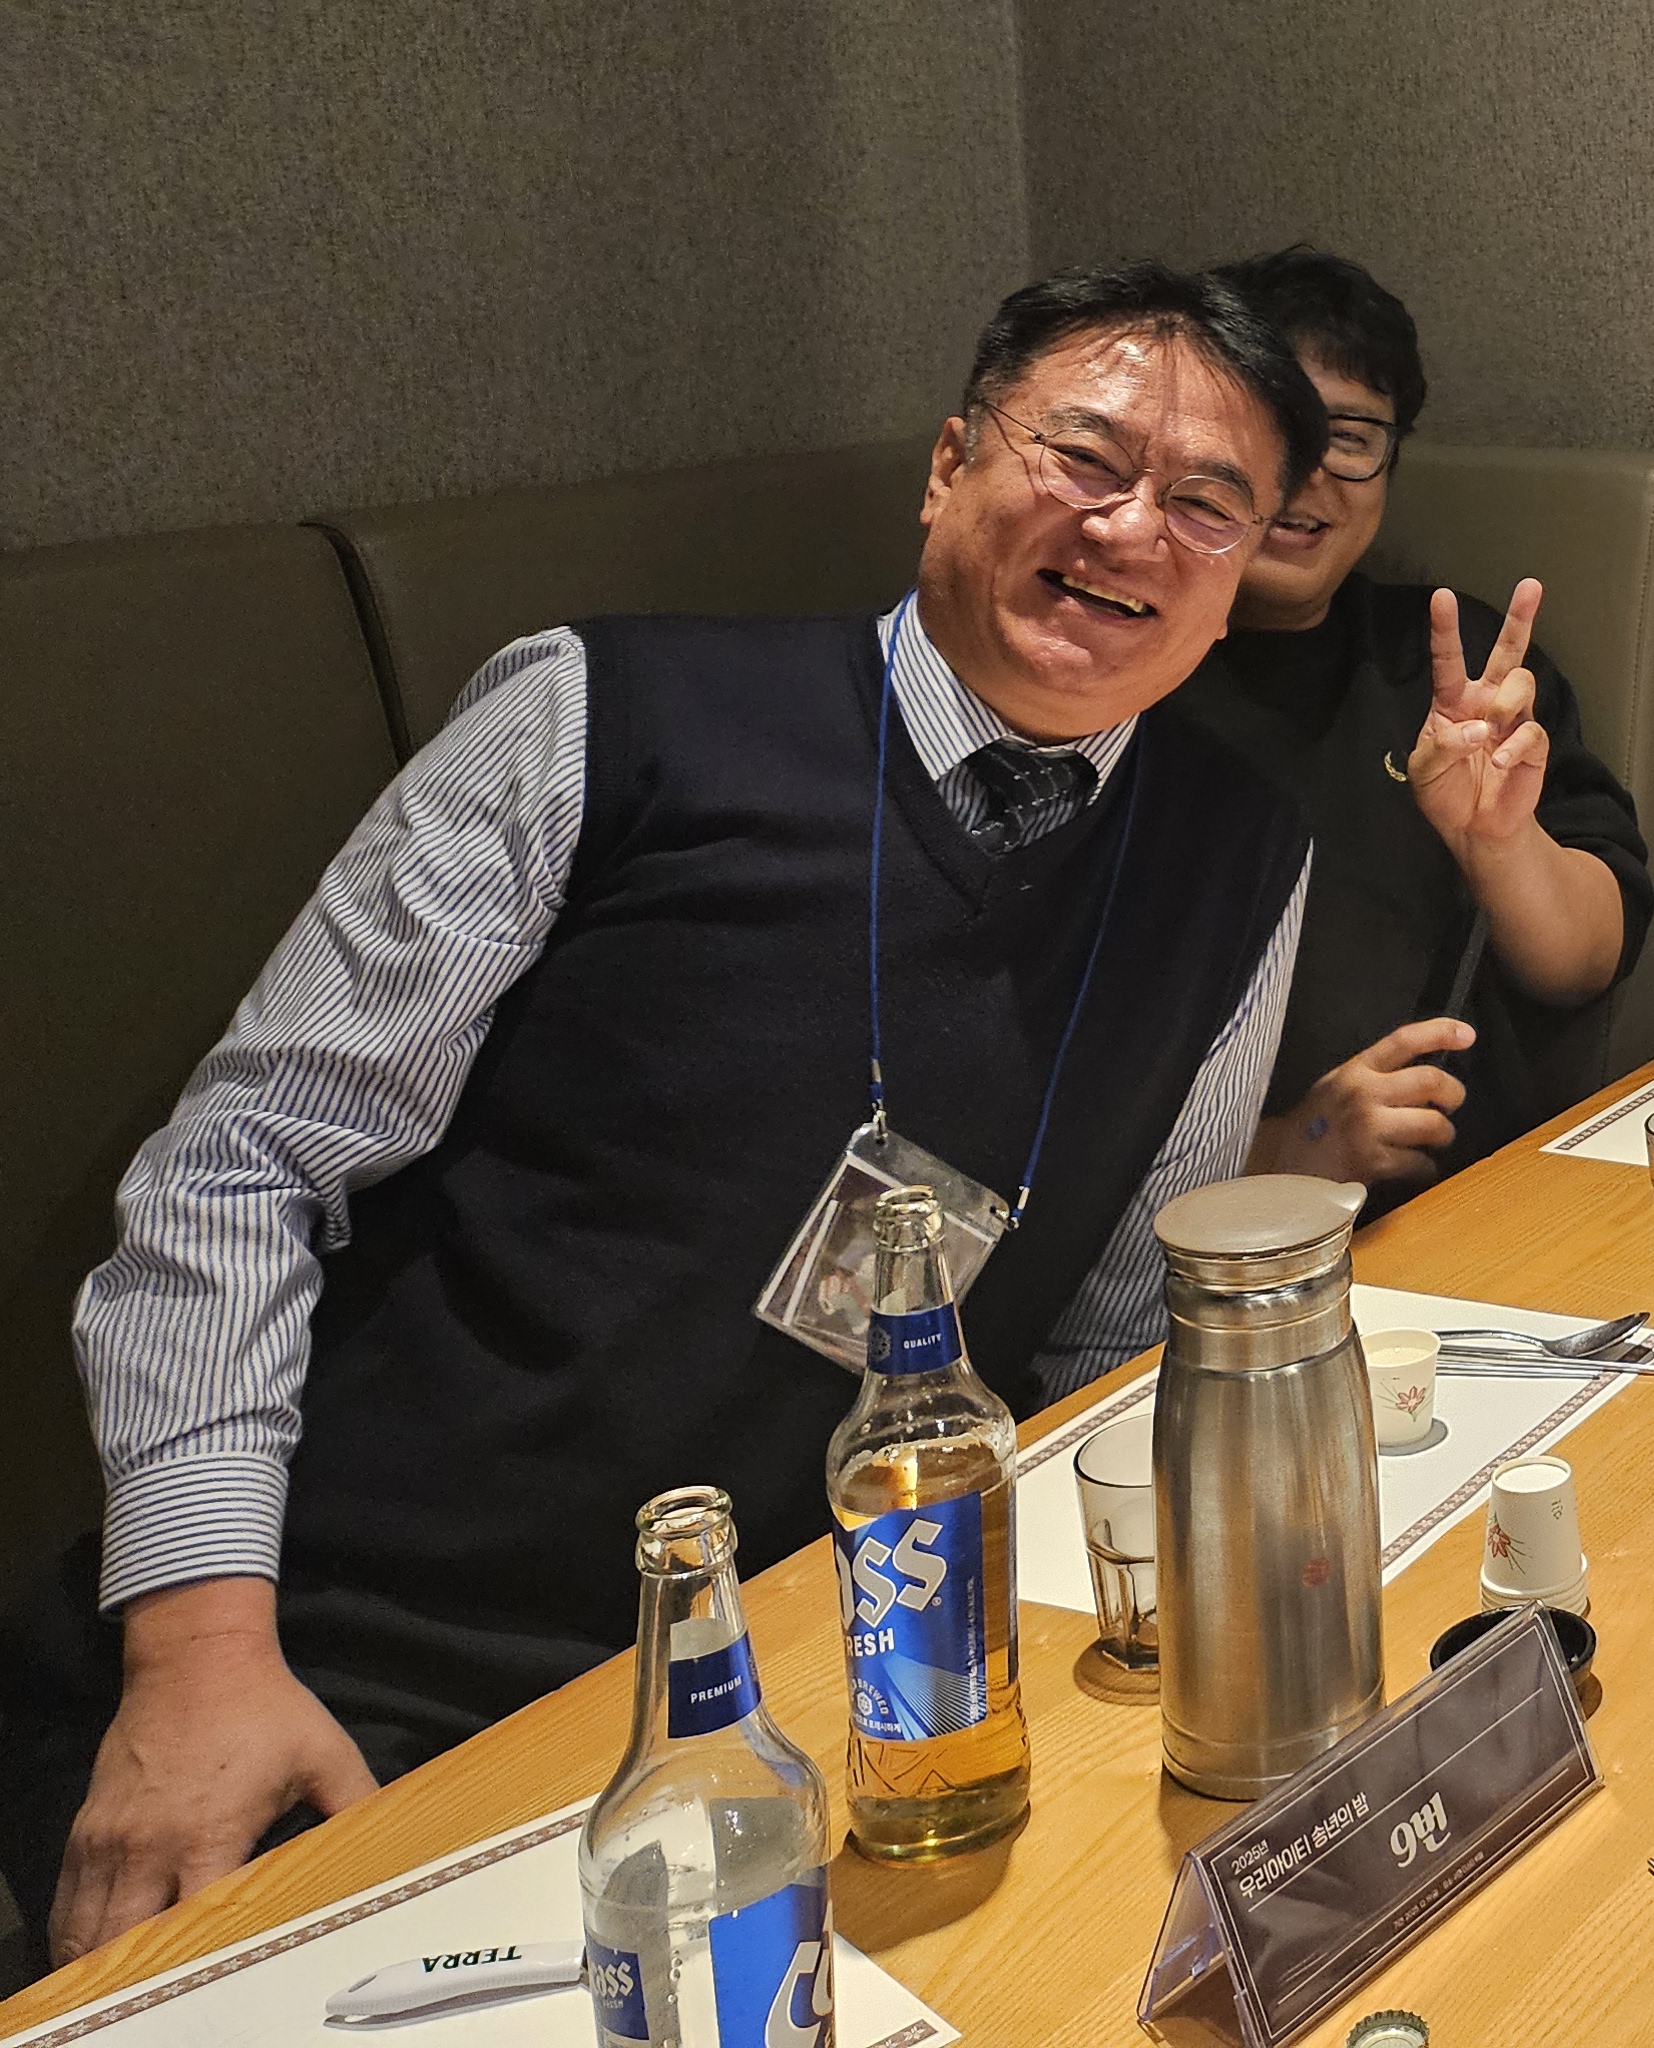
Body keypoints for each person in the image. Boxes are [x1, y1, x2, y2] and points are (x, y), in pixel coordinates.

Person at [6, 265, 1332, 1968]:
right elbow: (240, 1168)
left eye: (1208, 503)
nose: (1134, 527)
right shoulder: (605, 719)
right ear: (949, 467)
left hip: (849, 1682)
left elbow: (1113, 1331)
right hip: (365, 1669)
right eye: (1083, 458)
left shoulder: (1240, 854)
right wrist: (199, 1655)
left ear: (1244, 570)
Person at [1177, 246, 1651, 1203]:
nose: (1309, 473)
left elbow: (1586, 963)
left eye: (1350, 436)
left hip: (1469, 1210)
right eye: (1275, 423)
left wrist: (1500, 846)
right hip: (1205, 1235)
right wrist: (1288, 1145)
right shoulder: (1110, 674)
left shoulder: (1456, 663)